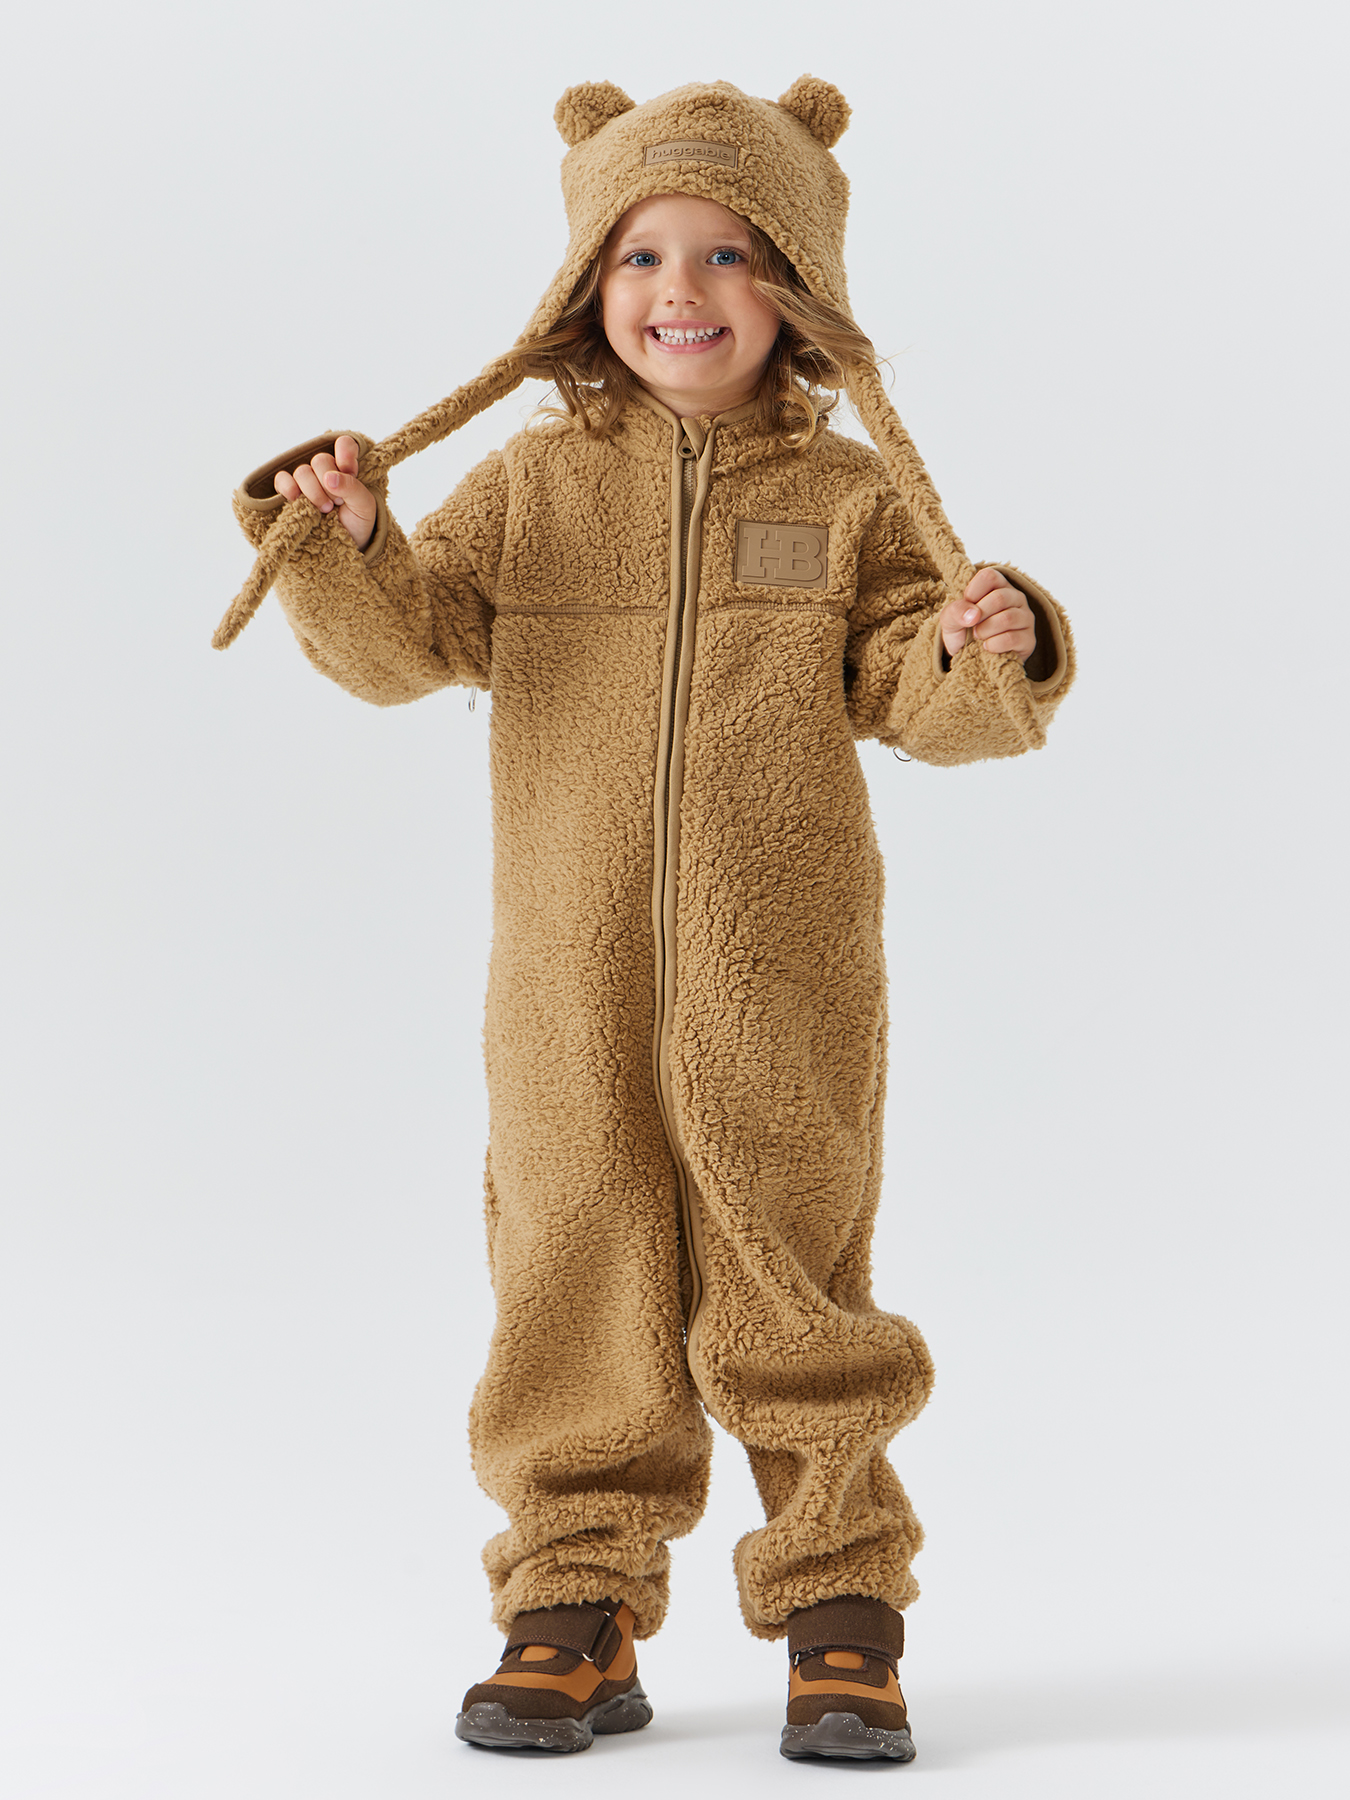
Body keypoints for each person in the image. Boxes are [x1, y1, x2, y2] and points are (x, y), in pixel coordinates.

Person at [224, 76, 1075, 1763]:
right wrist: (347, 540)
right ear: (583, 285)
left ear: (799, 287)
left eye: (728, 253)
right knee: (572, 1255)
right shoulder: (530, 486)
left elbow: (922, 702)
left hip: (785, 971)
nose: (679, 290)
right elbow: (404, 647)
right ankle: (574, 1594)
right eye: (639, 256)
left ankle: (841, 1599)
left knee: (789, 1265)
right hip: (565, 978)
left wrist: (989, 643)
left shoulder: (850, 499)